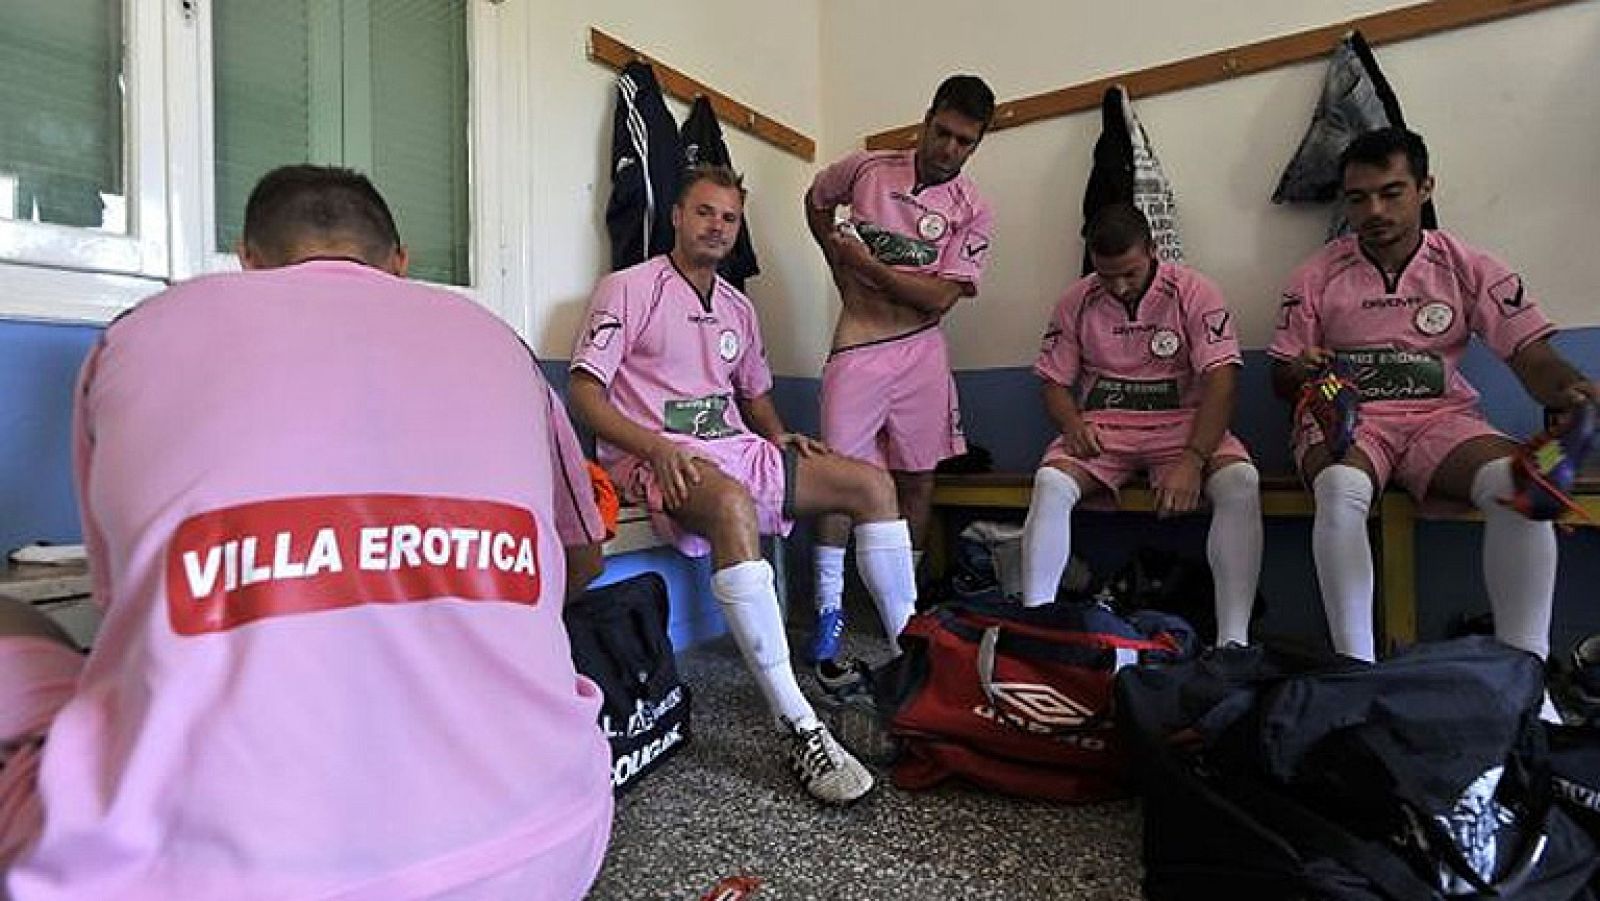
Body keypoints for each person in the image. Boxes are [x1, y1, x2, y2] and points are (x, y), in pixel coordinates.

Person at [0, 166, 613, 900]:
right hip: (545, 844)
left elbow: (126, 606)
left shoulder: (136, 336)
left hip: (191, 879)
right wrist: (433, 579)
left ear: (249, 260)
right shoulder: (502, 345)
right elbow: (580, 558)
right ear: (400, 263)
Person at [569, 164, 919, 805]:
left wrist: (780, 434)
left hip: (735, 447)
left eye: (729, 218)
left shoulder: (737, 306)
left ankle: (917, 673)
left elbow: (753, 397)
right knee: (730, 505)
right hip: (652, 456)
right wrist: (653, 446)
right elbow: (585, 392)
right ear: (676, 215)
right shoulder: (627, 289)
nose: (717, 227)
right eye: (704, 212)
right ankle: (797, 723)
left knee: (871, 483)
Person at [1269, 127, 1597, 665]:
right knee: (1340, 488)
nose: (1374, 210)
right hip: (1350, 417)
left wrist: (1571, 389)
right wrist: (1298, 372)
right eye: (1358, 198)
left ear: (1425, 188)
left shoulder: (1471, 267)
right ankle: (1357, 667)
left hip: (1439, 418)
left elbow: (1532, 359)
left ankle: (1526, 678)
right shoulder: (1316, 274)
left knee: (1518, 485)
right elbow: (1280, 378)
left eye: (1391, 192)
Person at [802, 74, 997, 663]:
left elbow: (939, 299)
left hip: (921, 352)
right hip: (859, 344)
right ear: (926, 118)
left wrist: (866, 264)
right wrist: (837, 263)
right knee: (837, 479)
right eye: (942, 133)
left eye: (965, 142)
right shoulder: (866, 169)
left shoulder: (974, 208)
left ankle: (904, 615)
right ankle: (829, 609)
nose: (949, 150)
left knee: (916, 479)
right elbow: (815, 199)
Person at [1019, 204, 1263, 644]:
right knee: (1051, 484)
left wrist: (1193, 459)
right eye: (1106, 274)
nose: (1118, 286)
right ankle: (1038, 631)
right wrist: (1072, 422)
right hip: (1104, 432)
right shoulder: (1076, 300)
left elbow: (1222, 380)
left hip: (1182, 429)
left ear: (1152, 250)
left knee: (1241, 483)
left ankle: (1233, 644)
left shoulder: (1194, 291)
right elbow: (1053, 382)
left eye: (1129, 273)